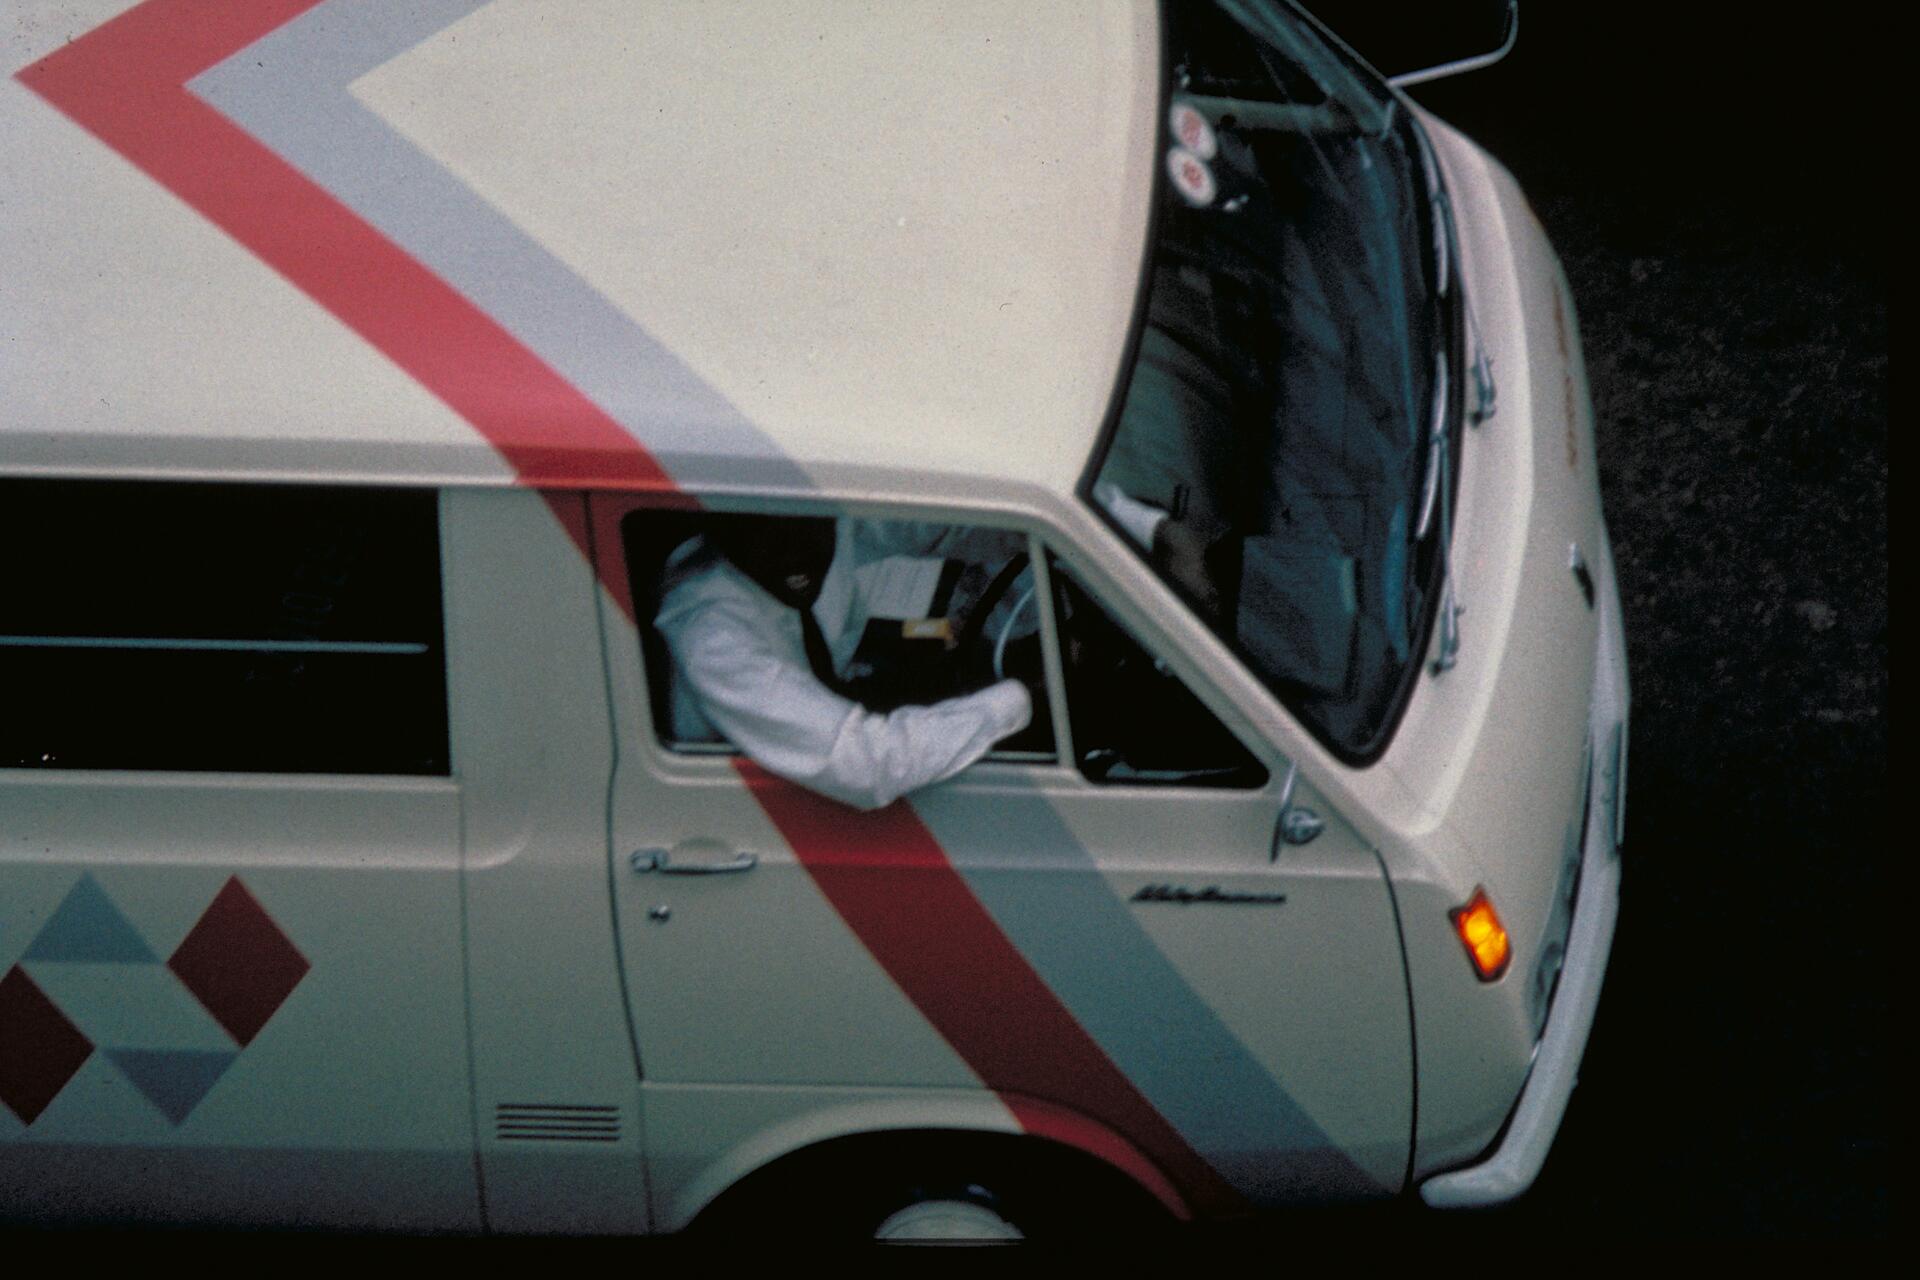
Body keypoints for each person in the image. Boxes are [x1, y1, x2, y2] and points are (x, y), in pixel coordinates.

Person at [654, 515, 1032, 811]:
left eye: (810, 522)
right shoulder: (714, 637)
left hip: (820, 739)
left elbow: (943, 530)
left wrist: (1030, 531)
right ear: (723, 527)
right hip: (744, 812)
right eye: (768, 525)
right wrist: (1014, 700)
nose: (797, 546)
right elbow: (864, 766)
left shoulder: (824, 532)